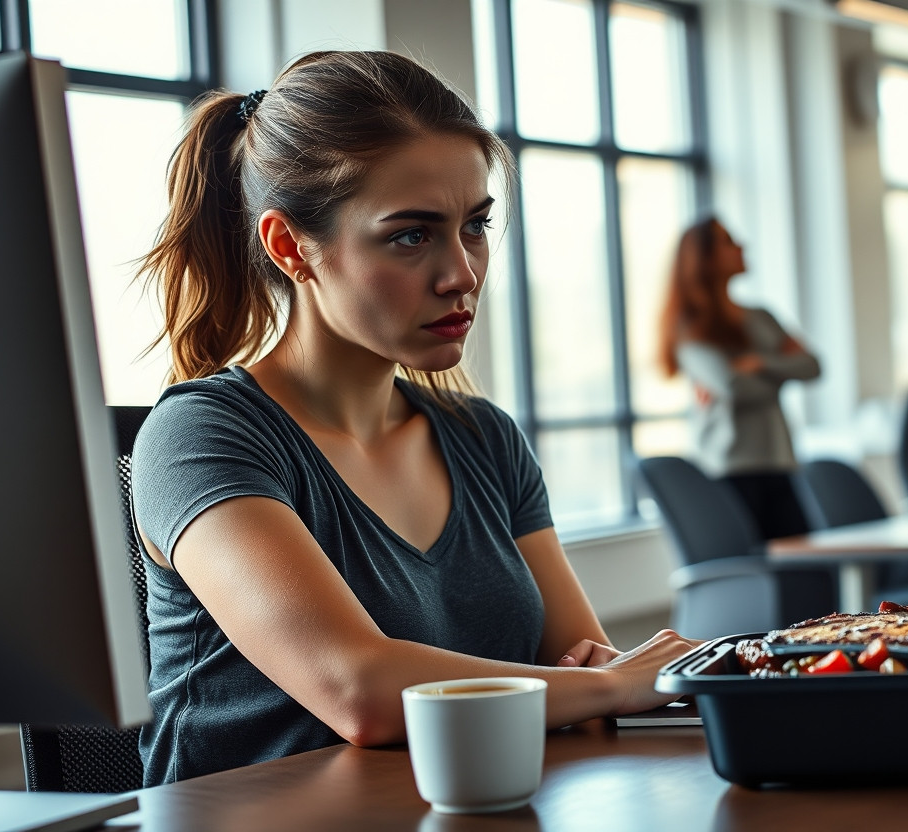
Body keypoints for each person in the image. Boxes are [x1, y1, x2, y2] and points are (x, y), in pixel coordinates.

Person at [131, 50, 696, 786]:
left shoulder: (484, 438)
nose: (461, 273)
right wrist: (613, 684)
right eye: (411, 235)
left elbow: (583, 669)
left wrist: (606, 684)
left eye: (475, 226)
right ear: (290, 246)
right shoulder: (201, 435)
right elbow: (359, 690)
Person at [658, 218, 821, 540]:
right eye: (728, 241)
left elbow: (812, 366)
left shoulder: (761, 317)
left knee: (808, 571)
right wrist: (782, 370)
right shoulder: (691, 328)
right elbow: (734, 387)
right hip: (731, 470)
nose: (742, 246)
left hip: (780, 461)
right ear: (704, 258)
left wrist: (760, 362)